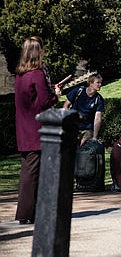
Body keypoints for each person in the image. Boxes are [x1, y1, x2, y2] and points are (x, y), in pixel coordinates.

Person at [14, 36, 62, 224]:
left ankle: (26, 212)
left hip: (24, 129)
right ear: (37, 52)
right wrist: (56, 95)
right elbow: (43, 103)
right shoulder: (38, 74)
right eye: (41, 49)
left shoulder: (20, 75)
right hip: (38, 130)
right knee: (38, 172)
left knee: (28, 171)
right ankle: (30, 213)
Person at [63, 73, 105, 145]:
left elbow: (98, 118)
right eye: (98, 82)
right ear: (91, 83)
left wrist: (95, 137)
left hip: (87, 129)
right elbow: (65, 106)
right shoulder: (78, 91)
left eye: (101, 82)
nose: (100, 84)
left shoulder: (99, 99)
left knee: (83, 147)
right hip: (74, 127)